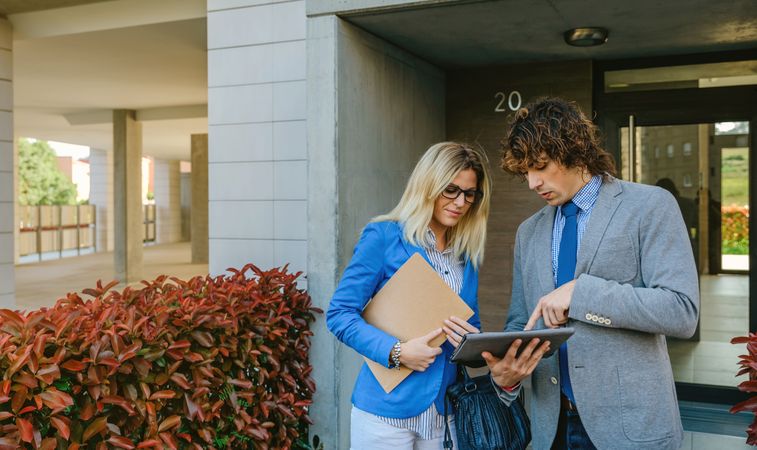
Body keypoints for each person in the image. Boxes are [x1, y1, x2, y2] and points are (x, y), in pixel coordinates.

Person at [485, 98, 699, 450]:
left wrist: (581, 293)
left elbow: (681, 311)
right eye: (525, 172)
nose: (532, 183)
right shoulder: (528, 232)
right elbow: (521, 321)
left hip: (629, 428)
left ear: (575, 151)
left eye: (540, 166)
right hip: (548, 429)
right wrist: (508, 374)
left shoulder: (650, 206)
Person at [327, 142, 492, 449]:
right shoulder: (384, 237)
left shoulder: (466, 255)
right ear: (428, 186)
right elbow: (339, 315)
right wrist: (397, 351)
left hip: (446, 415)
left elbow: (473, 323)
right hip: (385, 414)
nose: (460, 202)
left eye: (470, 194)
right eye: (451, 190)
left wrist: (471, 342)